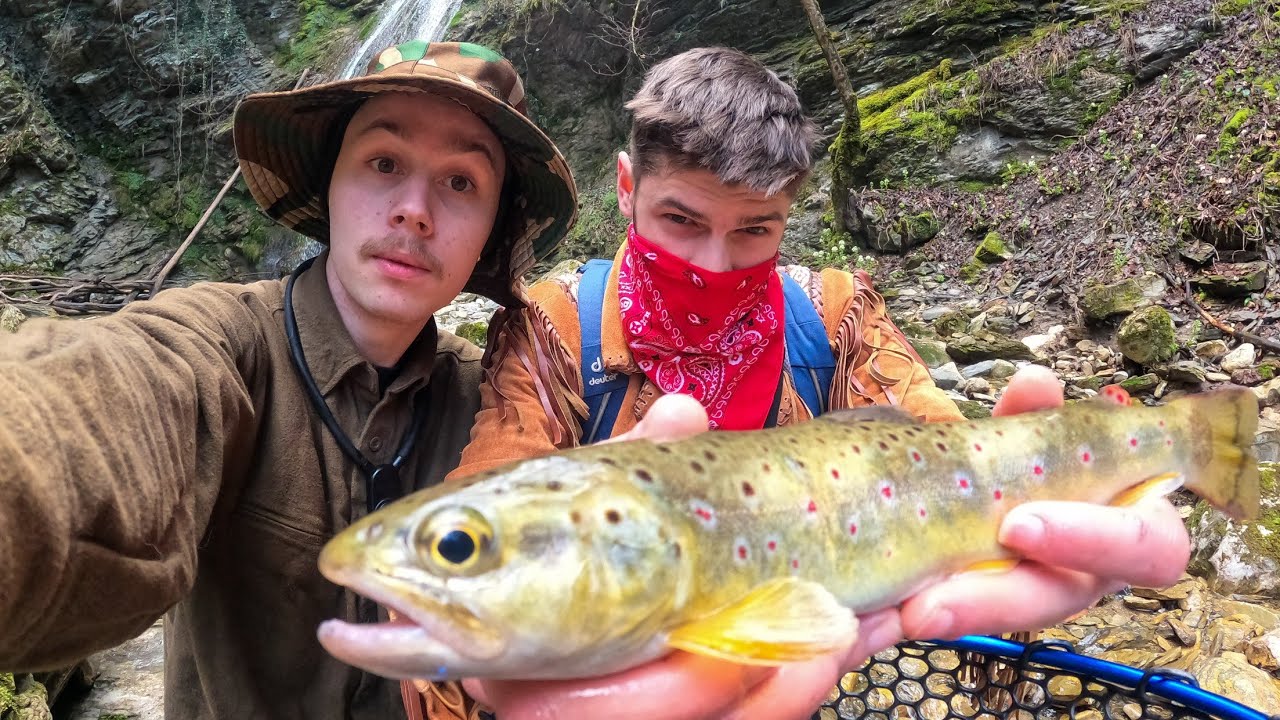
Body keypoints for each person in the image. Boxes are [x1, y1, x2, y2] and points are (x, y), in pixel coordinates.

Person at [445, 47, 1194, 719]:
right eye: (680, 219)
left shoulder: (835, 315)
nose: (712, 262)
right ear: (625, 185)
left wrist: (1071, 485)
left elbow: (942, 452)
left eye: (754, 230)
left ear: (788, 215)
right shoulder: (549, 325)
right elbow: (489, 499)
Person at [0, 40, 579, 720]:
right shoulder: (223, 347)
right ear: (329, 184)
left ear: (490, 229)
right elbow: (87, 421)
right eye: (384, 162)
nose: (414, 210)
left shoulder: (501, 416)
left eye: (461, 183)